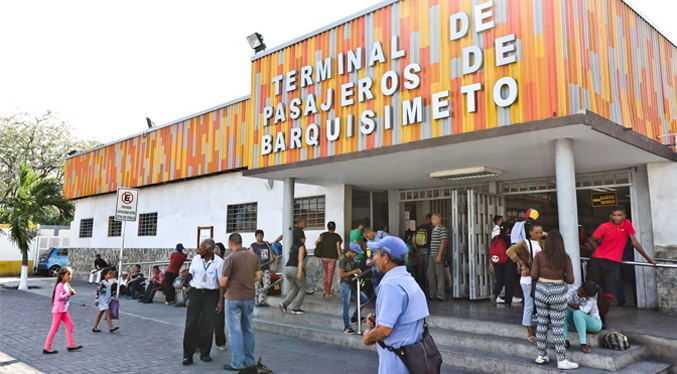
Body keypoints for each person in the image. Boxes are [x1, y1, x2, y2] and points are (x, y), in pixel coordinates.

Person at [362, 236, 429, 374]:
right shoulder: (408, 280)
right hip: (412, 361)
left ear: (386, 257)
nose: (375, 259)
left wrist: (368, 337)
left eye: (377, 254)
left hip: (396, 364)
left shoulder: (390, 285)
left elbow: (384, 330)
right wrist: (378, 319)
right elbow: (406, 318)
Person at [588, 205, 657, 329]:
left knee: (609, 295)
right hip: (597, 261)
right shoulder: (604, 226)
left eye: (619, 215)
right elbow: (592, 239)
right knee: (592, 291)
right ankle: (593, 318)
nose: (616, 217)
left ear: (625, 216)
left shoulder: (627, 224)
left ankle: (601, 319)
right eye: (614, 215)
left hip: (613, 263)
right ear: (610, 216)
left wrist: (650, 260)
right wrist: (597, 250)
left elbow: (634, 243)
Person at [531, 230, 577, 370]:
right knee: (558, 326)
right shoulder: (565, 258)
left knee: (542, 323)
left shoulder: (539, 256)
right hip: (557, 291)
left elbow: (533, 275)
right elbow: (570, 280)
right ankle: (561, 359)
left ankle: (541, 355)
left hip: (541, 291)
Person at [220, 233, 262, 371]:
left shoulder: (230, 258)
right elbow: (258, 276)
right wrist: (248, 282)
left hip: (233, 298)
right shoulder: (253, 256)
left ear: (231, 243)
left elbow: (223, 281)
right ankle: (250, 361)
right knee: (248, 330)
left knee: (235, 332)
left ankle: (237, 363)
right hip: (249, 297)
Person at [182, 238, 225, 365]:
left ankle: (205, 353)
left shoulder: (219, 262)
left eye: (201, 247)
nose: (198, 249)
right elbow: (192, 275)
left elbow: (221, 283)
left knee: (208, 324)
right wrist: (186, 275)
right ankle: (187, 355)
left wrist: (220, 301)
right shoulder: (196, 259)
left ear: (209, 249)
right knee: (191, 324)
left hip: (211, 294)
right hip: (196, 293)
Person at [507, 223, 545, 344]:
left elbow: (554, 239)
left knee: (542, 302)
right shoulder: (524, 243)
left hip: (540, 277)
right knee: (529, 304)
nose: (539, 235)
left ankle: (543, 324)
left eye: (541, 232)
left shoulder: (542, 242)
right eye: (536, 233)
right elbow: (510, 251)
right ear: (530, 233)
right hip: (528, 276)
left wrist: (546, 235)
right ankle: (530, 331)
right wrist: (521, 263)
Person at [43, 267, 82, 354]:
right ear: (62, 276)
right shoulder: (60, 285)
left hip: (64, 310)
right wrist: (69, 294)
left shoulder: (65, 284)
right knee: (54, 329)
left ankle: (71, 344)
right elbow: (58, 298)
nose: (69, 276)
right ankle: (47, 347)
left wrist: (69, 293)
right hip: (58, 310)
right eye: (68, 275)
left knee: (70, 325)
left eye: (70, 275)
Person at [339, 242, 369, 335]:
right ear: (351, 252)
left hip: (352, 284)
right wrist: (353, 271)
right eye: (356, 253)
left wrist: (356, 272)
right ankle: (346, 326)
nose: (357, 255)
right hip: (345, 284)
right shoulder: (343, 260)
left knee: (364, 299)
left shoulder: (351, 259)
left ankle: (355, 317)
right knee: (346, 306)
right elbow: (341, 274)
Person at [565, 280, 602, 354]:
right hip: (578, 322)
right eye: (580, 290)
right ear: (580, 286)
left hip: (594, 323)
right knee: (563, 312)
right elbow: (564, 301)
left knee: (577, 313)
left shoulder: (592, 298)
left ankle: (583, 343)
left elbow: (584, 310)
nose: (579, 293)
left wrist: (569, 304)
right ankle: (564, 340)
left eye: (583, 294)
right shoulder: (573, 290)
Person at [489, 223, 521, 307]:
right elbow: (513, 252)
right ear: (508, 230)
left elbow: (492, 252)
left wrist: (492, 264)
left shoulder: (495, 238)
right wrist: (518, 263)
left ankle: (494, 294)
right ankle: (508, 301)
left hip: (497, 263)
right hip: (508, 263)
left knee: (499, 280)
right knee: (509, 282)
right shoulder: (510, 238)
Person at [279, 228, 307, 315]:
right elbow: (300, 260)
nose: (305, 239)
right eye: (304, 237)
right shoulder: (301, 246)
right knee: (303, 288)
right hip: (295, 269)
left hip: (287, 269)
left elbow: (291, 256)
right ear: (301, 238)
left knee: (295, 288)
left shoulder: (293, 246)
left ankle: (284, 304)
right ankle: (295, 308)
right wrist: (299, 272)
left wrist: (303, 268)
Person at [314, 221, 343, 298]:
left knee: (326, 274)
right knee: (329, 275)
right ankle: (327, 293)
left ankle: (325, 291)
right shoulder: (337, 236)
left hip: (323, 257)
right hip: (332, 258)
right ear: (334, 228)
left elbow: (316, 243)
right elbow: (338, 248)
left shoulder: (322, 235)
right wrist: (341, 257)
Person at [250, 229, 278, 307]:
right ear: (256, 237)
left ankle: (261, 299)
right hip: (257, 269)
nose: (260, 237)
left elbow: (271, 252)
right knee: (257, 285)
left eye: (261, 235)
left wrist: (276, 257)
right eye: (258, 235)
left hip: (266, 267)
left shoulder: (266, 244)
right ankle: (256, 301)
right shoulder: (253, 245)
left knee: (267, 284)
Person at [428, 213, 448, 301]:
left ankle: (440, 295)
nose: (432, 220)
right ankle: (432, 294)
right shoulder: (433, 229)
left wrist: (439, 255)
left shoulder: (442, 229)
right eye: (431, 219)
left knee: (439, 275)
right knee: (430, 274)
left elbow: (443, 242)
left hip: (437, 254)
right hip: (432, 254)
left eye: (433, 218)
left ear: (439, 219)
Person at [93, 267, 119, 333]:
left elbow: (109, 292)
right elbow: (98, 291)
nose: (111, 275)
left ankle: (95, 327)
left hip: (106, 301)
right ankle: (111, 327)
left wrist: (111, 298)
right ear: (104, 275)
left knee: (100, 314)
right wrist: (96, 300)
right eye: (109, 274)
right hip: (102, 301)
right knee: (108, 313)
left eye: (111, 274)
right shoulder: (103, 283)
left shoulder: (108, 283)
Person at [212, 242, 228, 351]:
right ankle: (200, 343)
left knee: (219, 319)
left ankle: (220, 342)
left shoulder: (223, 262)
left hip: (219, 293)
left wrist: (221, 299)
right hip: (208, 293)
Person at [414, 214, 433, 289]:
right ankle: (427, 286)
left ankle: (420, 284)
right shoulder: (430, 228)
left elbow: (414, 239)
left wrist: (417, 248)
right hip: (427, 249)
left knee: (420, 268)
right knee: (426, 268)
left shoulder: (419, 227)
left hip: (419, 249)